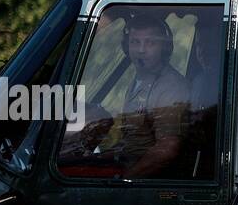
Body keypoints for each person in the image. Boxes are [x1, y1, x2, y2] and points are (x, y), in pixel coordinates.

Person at [68, 13, 191, 178]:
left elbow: (167, 149)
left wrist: (125, 179)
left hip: (151, 181)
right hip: (130, 167)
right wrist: (97, 158)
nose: (141, 50)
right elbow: (133, 142)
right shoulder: (138, 81)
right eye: (135, 42)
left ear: (164, 47)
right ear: (126, 47)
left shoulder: (171, 87)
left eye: (150, 43)